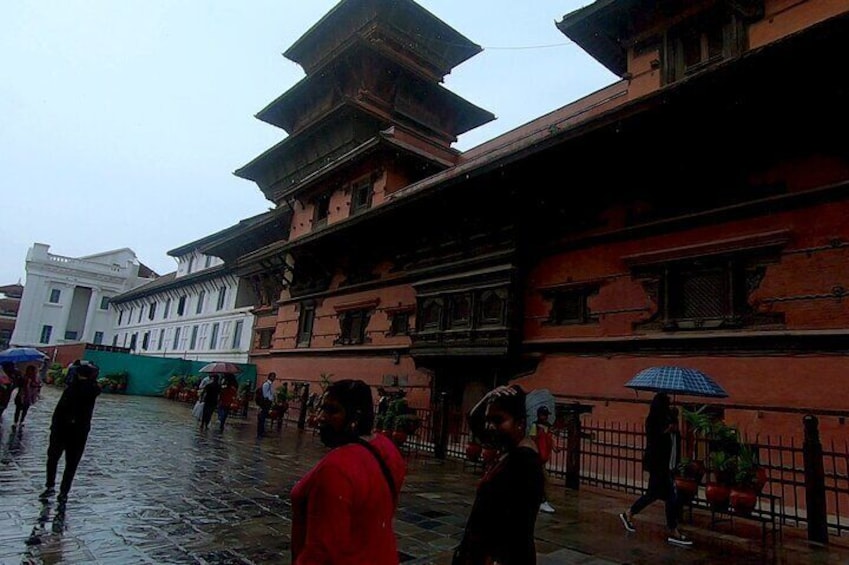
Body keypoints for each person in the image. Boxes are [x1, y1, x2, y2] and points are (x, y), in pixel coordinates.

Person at [291, 379, 405, 564]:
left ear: (355, 416)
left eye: (332, 410)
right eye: (322, 408)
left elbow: (322, 551)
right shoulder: (388, 448)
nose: (320, 417)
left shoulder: (336, 468)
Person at [453, 385, 545, 565]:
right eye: (489, 420)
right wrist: (488, 396)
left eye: (498, 420)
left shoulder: (524, 463)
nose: (490, 427)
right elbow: (474, 420)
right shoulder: (508, 451)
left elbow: (514, 527)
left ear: (520, 423)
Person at [619, 393, 692, 546]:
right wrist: (667, 430)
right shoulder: (653, 420)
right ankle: (673, 531)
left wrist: (674, 423)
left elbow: (675, 442)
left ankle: (629, 514)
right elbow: (654, 439)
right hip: (658, 466)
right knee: (669, 497)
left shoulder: (670, 418)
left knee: (657, 495)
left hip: (668, 466)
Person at [39, 363, 102, 504]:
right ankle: (64, 491)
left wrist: (54, 426)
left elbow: (60, 410)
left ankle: (50, 485)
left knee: (53, 458)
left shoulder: (72, 388)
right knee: (71, 463)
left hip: (61, 429)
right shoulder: (93, 389)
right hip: (79, 431)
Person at [529, 405, 560, 514]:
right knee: (543, 480)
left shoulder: (548, 427)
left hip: (543, 457)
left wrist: (554, 447)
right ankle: (542, 501)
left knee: (539, 480)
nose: (546, 417)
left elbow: (550, 440)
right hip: (537, 458)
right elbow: (532, 440)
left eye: (547, 415)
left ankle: (537, 500)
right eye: (544, 415)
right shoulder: (535, 426)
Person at [256, 372, 276, 438]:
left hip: (268, 403)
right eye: (272, 376)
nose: (273, 378)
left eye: (274, 377)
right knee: (262, 418)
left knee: (263, 418)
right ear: (269, 377)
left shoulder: (271, 385)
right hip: (265, 403)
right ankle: (260, 433)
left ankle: (262, 432)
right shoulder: (266, 384)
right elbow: (265, 395)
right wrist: (267, 401)